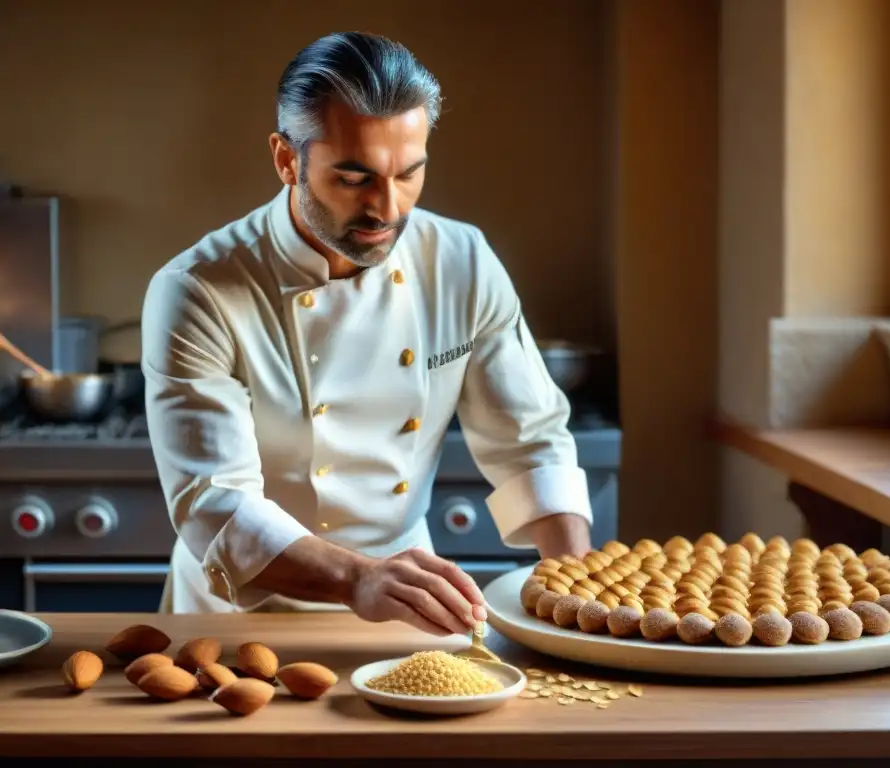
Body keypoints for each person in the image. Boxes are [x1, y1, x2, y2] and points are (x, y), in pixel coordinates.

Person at [141, 31, 593, 635]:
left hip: (403, 605)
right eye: (354, 179)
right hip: (231, 619)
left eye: (409, 174)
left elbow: (530, 441)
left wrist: (578, 604)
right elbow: (214, 504)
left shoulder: (461, 261)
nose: (387, 209)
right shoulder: (198, 289)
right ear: (285, 159)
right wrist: (357, 579)